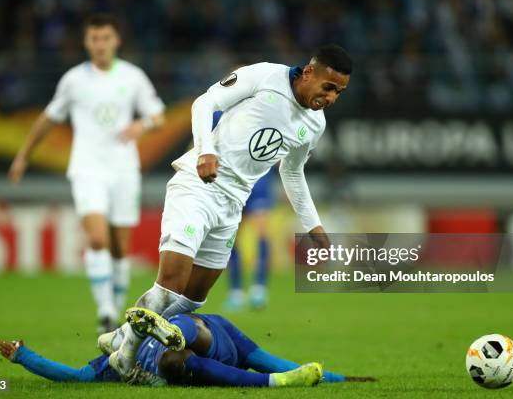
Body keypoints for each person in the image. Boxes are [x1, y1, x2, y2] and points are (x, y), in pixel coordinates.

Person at [110, 44, 352, 376]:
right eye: (328, 87)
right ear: (309, 72)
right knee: (171, 283)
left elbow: (292, 172)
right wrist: (204, 152)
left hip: (232, 204)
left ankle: (124, 335)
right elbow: (204, 102)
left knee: (195, 298)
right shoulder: (265, 75)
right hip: (198, 186)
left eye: (339, 92)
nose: (332, 97)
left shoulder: (314, 125)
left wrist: (313, 225)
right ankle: (124, 355)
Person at [8, 13, 166, 333]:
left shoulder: (132, 77)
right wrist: (23, 155)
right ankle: (105, 310)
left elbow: (158, 115)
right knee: (97, 238)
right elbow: (48, 118)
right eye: (94, 39)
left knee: (121, 246)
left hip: (124, 168)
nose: (100, 44)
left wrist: (142, 123)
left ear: (116, 41)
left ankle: (117, 307)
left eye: (105, 38)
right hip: (87, 168)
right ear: (86, 42)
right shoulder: (73, 80)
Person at [0, 308, 375, 387]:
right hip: (187, 358)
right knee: (176, 362)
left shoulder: (117, 361)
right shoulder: (110, 365)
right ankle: (276, 384)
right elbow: (76, 377)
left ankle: (169, 331)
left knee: (185, 332)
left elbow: (268, 359)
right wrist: (23, 356)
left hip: (206, 332)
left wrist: (337, 378)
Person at [224, 167, 276, 311]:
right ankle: (236, 291)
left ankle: (259, 288)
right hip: (235, 178)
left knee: (262, 231)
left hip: (259, 176)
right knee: (232, 235)